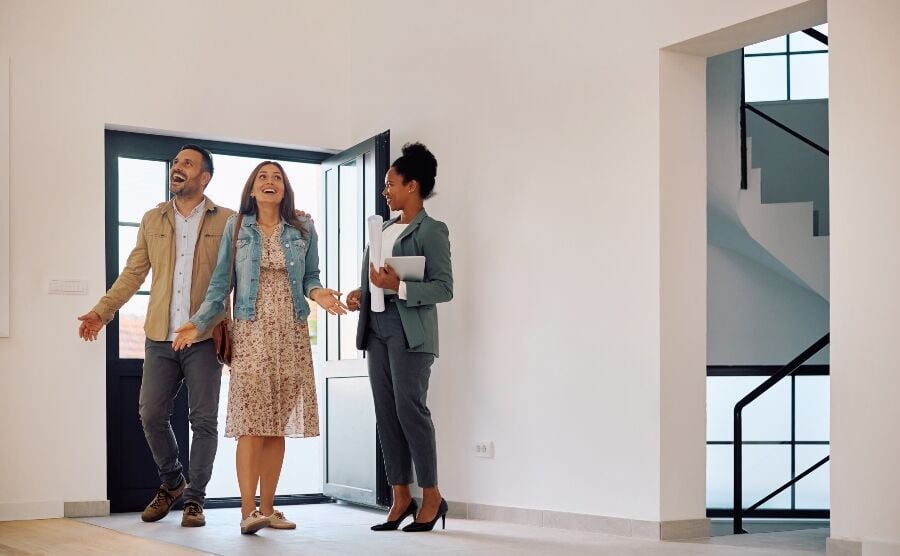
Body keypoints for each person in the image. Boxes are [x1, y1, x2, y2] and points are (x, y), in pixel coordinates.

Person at [172, 161, 347, 534]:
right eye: (262, 178)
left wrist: (321, 295)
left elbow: (310, 277)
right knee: (251, 424)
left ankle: (268, 509)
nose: (270, 182)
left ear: (285, 189)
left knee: (275, 427)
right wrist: (197, 322)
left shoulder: (303, 228)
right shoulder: (236, 228)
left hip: (292, 334)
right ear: (252, 189)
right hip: (251, 333)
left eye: (277, 178)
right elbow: (221, 286)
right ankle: (247, 511)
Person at [78, 145, 232, 527]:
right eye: (176, 163)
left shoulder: (228, 220)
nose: (178, 168)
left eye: (188, 164)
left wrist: (296, 218)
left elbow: (238, 275)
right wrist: (102, 310)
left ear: (205, 177)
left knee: (204, 421)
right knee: (150, 414)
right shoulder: (152, 219)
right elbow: (133, 274)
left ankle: (195, 499)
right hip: (160, 337)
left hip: (204, 336)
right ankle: (173, 482)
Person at [346, 142, 453, 532]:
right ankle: (401, 496)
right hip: (376, 327)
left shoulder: (432, 230)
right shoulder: (384, 229)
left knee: (411, 411)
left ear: (413, 185)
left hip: (411, 330)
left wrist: (400, 286)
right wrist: (362, 292)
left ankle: (433, 496)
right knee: (387, 413)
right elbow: (375, 277)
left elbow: (444, 287)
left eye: (391, 184)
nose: (385, 190)